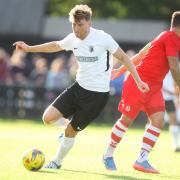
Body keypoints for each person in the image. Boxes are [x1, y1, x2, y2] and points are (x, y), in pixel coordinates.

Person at [13, 4, 149, 170]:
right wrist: (29, 48)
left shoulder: (103, 38)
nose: (76, 28)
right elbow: (55, 45)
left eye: (80, 25)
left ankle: (56, 162)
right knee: (47, 118)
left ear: (89, 23)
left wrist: (138, 80)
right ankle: (65, 130)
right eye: (73, 25)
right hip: (78, 88)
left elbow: (123, 57)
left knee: (72, 132)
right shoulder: (73, 39)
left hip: (97, 96)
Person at [103, 11, 180, 174]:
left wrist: (121, 69)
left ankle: (142, 159)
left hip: (154, 87)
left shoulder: (163, 36)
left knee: (158, 121)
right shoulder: (172, 38)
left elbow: (140, 54)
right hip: (138, 82)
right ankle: (108, 153)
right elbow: (173, 65)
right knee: (126, 120)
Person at [163, 72, 180, 152]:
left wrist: (177, 97)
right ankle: (146, 145)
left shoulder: (176, 64)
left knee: (174, 120)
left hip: (170, 98)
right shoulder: (160, 63)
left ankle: (176, 144)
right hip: (159, 96)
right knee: (152, 121)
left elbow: (176, 81)